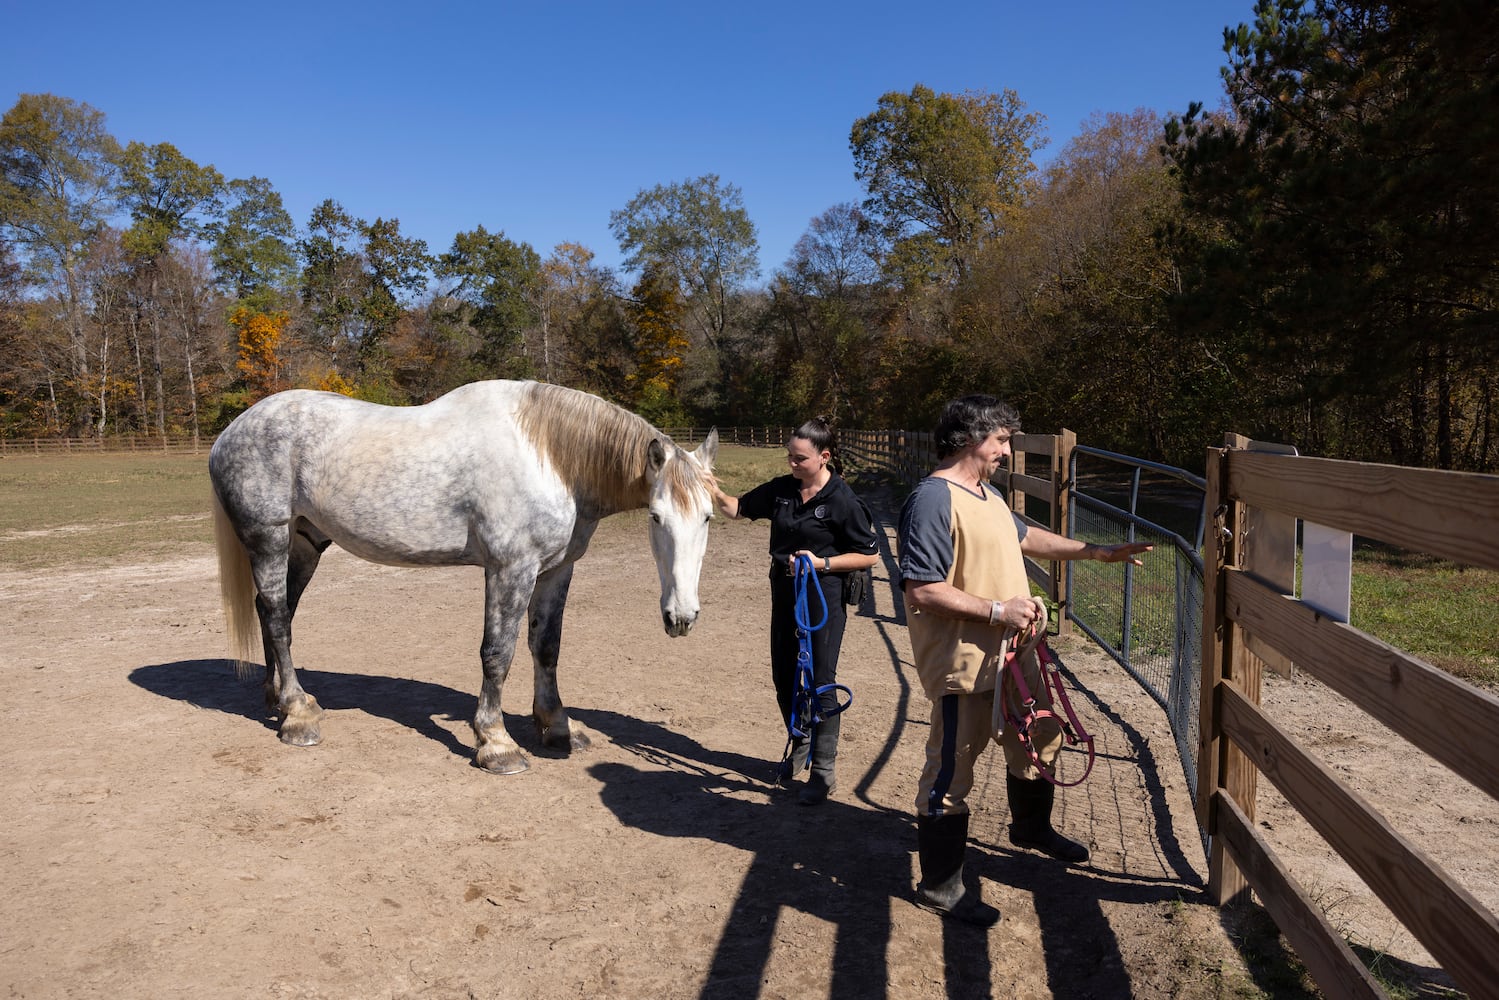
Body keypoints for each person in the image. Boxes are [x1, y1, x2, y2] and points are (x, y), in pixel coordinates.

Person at [897, 395, 1152, 926]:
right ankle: (940, 885)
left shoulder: (985, 495)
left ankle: (1031, 829)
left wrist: (1096, 552)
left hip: (1016, 655)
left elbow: (1025, 536)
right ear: (971, 438)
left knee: (1040, 738)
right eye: (1002, 441)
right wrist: (999, 610)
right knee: (951, 770)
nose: (1007, 452)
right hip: (966, 665)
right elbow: (922, 590)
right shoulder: (932, 500)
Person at [711, 417, 880, 806]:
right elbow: (737, 509)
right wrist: (712, 488)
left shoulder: (842, 500)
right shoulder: (782, 490)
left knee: (821, 679)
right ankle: (799, 742)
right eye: (789, 456)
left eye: (799, 458)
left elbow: (869, 554)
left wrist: (822, 564)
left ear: (824, 457)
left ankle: (823, 771)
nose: (792, 463)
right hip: (784, 590)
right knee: (784, 674)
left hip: (823, 595)